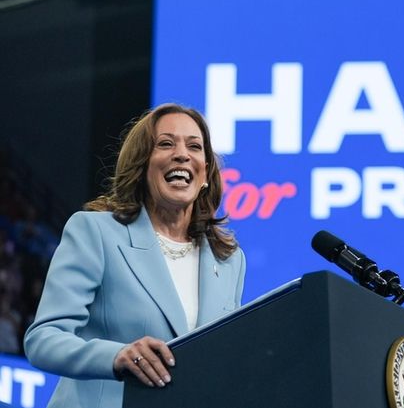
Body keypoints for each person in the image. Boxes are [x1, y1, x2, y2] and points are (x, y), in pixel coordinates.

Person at [24, 103, 246, 408]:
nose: (182, 154)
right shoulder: (96, 232)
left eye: (195, 146)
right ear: (142, 165)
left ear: (205, 171)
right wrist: (115, 356)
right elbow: (44, 339)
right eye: (165, 144)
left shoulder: (229, 260)